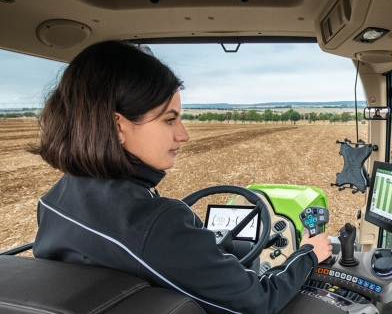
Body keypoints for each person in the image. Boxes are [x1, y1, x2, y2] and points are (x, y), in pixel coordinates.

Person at [30, 40, 333, 314]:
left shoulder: (55, 198)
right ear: (118, 127)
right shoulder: (153, 224)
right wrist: (306, 255)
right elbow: (257, 301)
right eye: (169, 119)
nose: (183, 135)